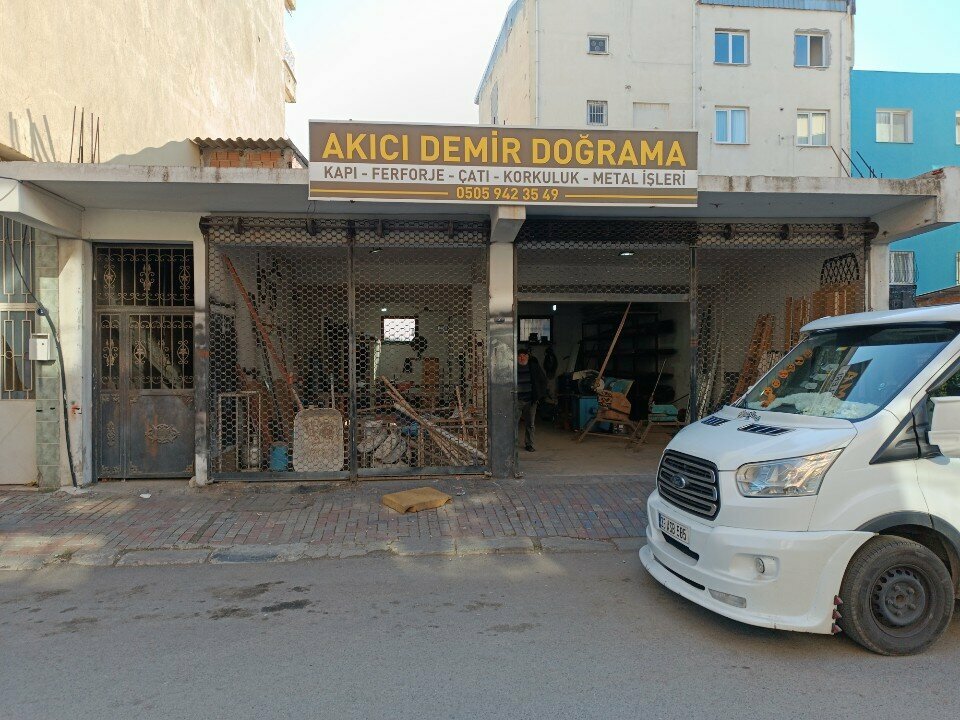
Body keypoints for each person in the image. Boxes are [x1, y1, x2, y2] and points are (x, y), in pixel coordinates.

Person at [517, 348, 547, 452]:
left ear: (528, 357)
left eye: (524, 355)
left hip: (530, 400)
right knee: (512, 423)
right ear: (516, 357)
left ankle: (529, 444)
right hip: (516, 400)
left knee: (530, 424)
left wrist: (538, 396)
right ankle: (511, 443)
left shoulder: (534, 367)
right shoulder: (512, 368)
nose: (522, 358)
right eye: (520, 356)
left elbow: (543, 381)